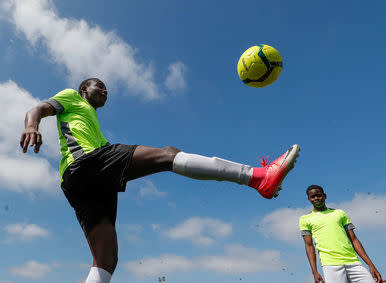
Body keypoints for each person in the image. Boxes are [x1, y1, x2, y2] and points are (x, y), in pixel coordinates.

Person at [20, 78, 300, 283]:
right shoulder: (71, 96)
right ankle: (258, 177)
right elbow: (37, 109)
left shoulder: (92, 121)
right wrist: (32, 126)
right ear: (84, 89)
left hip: (80, 181)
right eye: (99, 86)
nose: (105, 91)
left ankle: (258, 179)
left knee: (106, 261)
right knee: (168, 155)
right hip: (87, 162)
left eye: (107, 88)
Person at [299, 185, 383, 283]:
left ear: (324, 196)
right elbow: (309, 246)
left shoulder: (340, 213)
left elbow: (354, 240)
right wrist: (315, 272)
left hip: (353, 261)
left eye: (319, 195)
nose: (316, 198)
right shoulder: (304, 219)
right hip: (330, 264)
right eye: (313, 197)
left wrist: (370, 265)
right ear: (309, 199)